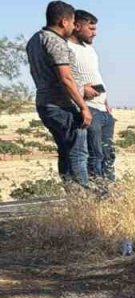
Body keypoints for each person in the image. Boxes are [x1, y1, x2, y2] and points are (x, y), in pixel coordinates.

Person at [26, 1, 94, 191]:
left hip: (44, 103)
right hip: (60, 105)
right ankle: (83, 199)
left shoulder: (34, 39)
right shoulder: (55, 42)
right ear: (64, 22)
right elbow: (65, 78)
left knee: (64, 151)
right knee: (78, 153)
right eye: (73, 22)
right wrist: (83, 106)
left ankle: (72, 196)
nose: (73, 27)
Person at [68, 9, 114, 184]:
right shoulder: (66, 47)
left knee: (109, 153)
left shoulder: (90, 49)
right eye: (91, 29)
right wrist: (81, 90)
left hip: (103, 108)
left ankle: (111, 189)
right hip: (88, 108)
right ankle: (99, 193)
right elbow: (64, 79)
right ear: (77, 26)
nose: (95, 33)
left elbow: (95, 75)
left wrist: (106, 102)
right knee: (95, 155)